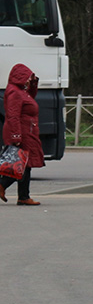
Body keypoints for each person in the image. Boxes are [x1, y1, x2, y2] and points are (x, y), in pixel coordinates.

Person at [1, 63, 43, 205]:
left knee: (26, 163)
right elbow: (13, 115)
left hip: (27, 131)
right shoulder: (14, 92)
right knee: (22, 164)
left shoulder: (21, 91)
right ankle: (2, 185)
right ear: (19, 77)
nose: (28, 80)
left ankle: (24, 196)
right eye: (27, 77)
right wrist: (16, 136)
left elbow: (31, 97)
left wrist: (34, 83)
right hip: (21, 131)